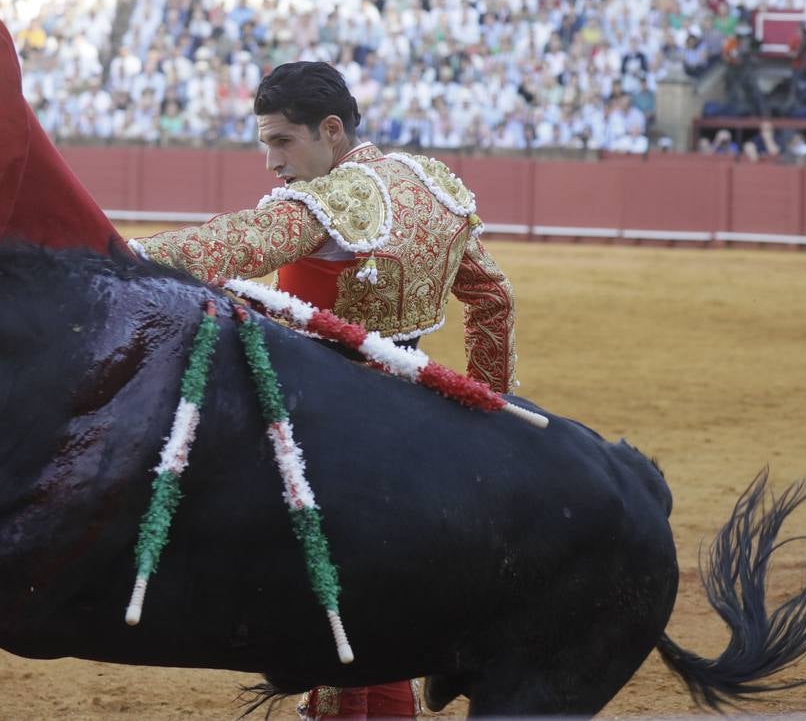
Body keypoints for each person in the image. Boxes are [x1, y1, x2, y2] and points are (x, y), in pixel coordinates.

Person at [131, 61, 519, 718]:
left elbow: (232, 245)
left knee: (324, 605)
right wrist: (486, 412)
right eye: (264, 143)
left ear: (330, 130)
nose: (268, 162)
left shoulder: (335, 199)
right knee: (378, 614)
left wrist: (117, 254)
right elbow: (493, 298)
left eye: (280, 141)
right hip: (416, 422)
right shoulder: (431, 182)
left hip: (325, 432)